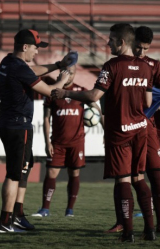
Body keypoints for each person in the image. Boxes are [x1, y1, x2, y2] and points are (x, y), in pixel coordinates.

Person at [52, 23, 155, 242]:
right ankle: (150, 229)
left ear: (122, 42)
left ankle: (128, 232)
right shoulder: (147, 67)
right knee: (139, 178)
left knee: (124, 180)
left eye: (111, 39)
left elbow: (93, 96)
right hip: (140, 128)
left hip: (120, 131)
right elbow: (147, 101)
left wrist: (64, 93)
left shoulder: (112, 66)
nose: (107, 42)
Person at [0, 28, 75, 233]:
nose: (37, 52)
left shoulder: (9, 61)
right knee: (14, 174)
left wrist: (59, 65)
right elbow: (50, 91)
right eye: (35, 47)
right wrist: (63, 79)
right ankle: (5, 221)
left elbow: (33, 71)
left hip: (11, 122)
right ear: (25, 47)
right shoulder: (17, 66)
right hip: (17, 125)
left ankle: (17, 215)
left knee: (22, 169)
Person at [105, 25, 160, 235]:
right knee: (126, 176)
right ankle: (122, 221)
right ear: (131, 43)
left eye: (145, 49)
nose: (141, 52)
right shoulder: (123, 64)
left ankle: (159, 223)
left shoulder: (153, 65)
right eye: (138, 47)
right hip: (132, 124)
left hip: (148, 126)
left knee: (153, 174)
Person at [32, 66, 102, 218]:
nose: (69, 75)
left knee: (74, 173)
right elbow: (46, 119)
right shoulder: (53, 92)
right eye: (66, 72)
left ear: (75, 74)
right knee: (51, 172)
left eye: (72, 73)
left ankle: (70, 209)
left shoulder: (80, 92)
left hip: (77, 142)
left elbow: (96, 109)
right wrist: (47, 143)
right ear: (61, 72)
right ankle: (45, 208)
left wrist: (104, 126)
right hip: (57, 142)